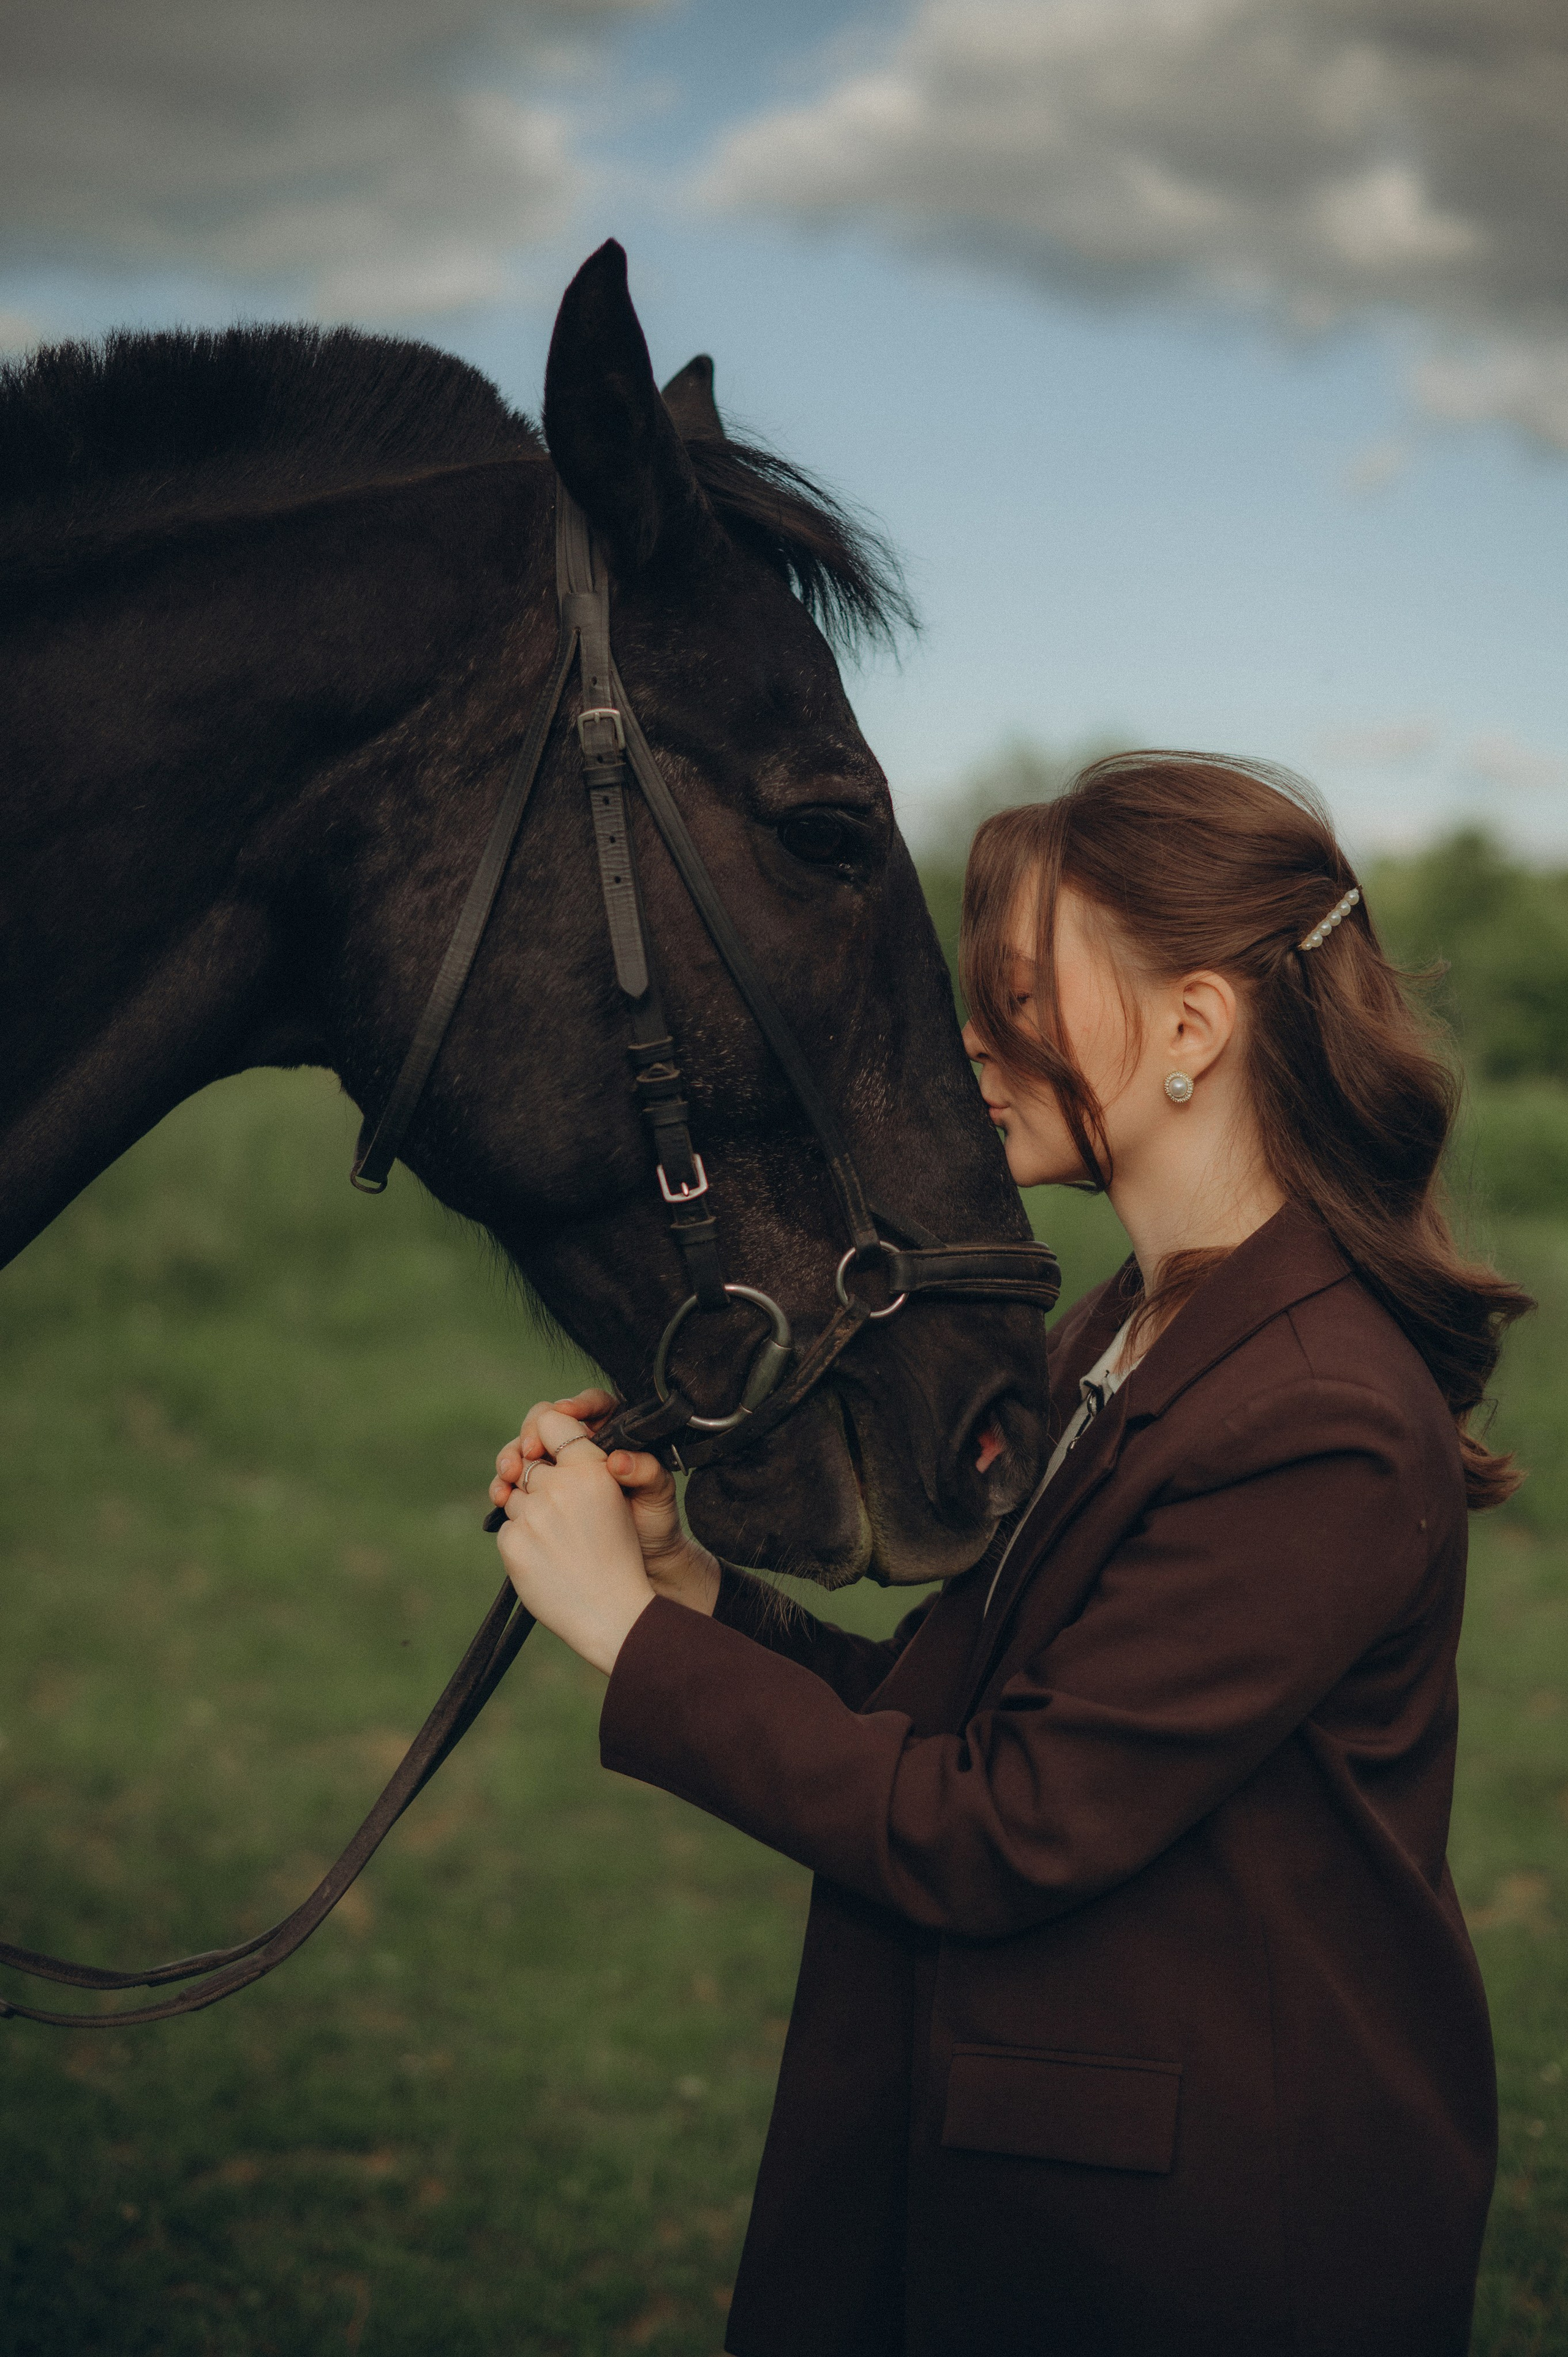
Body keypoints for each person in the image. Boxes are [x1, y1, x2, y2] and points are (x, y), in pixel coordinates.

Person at [488, 752, 1529, 2357]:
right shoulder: (1127, 1324)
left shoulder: (1320, 1412)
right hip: (1064, 2170)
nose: (970, 1039)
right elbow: (974, 1723)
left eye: (1022, 991)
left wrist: (636, 1643)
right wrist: (694, 1595)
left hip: (1205, 2236)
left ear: (1191, 1029)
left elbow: (1000, 1829)